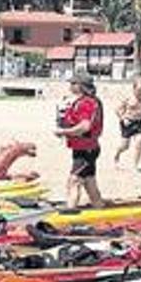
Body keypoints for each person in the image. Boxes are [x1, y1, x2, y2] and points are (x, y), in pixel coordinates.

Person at [55, 73, 105, 209]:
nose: (70, 86)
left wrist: (63, 132)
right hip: (86, 148)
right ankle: (99, 206)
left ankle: (69, 213)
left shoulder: (87, 102)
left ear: (81, 86)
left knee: (74, 181)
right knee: (89, 180)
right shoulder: (86, 101)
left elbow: (85, 126)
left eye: (73, 83)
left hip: (86, 149)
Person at [114, 77, 141, 171]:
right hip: (128, 123)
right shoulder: (128, 97)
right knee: (125, 146)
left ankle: (135, 165)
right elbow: (117, 110)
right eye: (139, 89)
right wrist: (123, 119)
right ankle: (116, 155)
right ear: (134, 88)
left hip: (139, 123)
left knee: (140, 142)